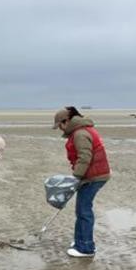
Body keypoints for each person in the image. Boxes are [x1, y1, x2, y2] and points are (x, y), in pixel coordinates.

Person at [54, 106, 110, 259]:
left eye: (60, 125)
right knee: (81, 210)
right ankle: (81, 241)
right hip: (91, 175)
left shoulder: (80, 134)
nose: (60, 129)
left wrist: (76, 177)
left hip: (94, 177)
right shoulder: (80, 131)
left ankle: (85, 248)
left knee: (84, 211)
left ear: (66, 121)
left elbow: (85, 157)